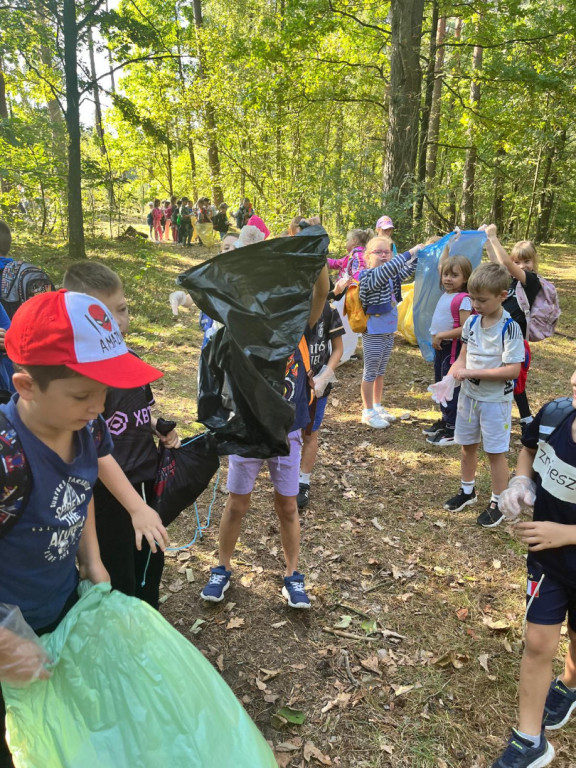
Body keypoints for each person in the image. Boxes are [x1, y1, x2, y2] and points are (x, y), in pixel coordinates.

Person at [0, 289, 168, 767]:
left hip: (57, 612)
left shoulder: (86, 426)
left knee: (59, 731)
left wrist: (92, 561)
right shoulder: (8, 457)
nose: (98, 406)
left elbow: (81, 487)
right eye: (82, 394)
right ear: (27, 385)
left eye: (104, 392)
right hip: (9, 635)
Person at [200, 236, 330, 610]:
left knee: (287, 505)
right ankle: (222, 567)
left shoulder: (294, 327)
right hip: (248, 430)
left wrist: (315, 250)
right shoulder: (239, 327)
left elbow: (320, 292)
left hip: (286, 432)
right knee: (237, 504)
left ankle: (293, 575)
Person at [62, 262, 179, 607]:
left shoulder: (130, 361)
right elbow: (94, 449)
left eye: (123, 310)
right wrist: (134, 507)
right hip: (109, 498)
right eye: (104, 318)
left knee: (150, 561)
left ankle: (149, 620)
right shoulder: (87, 383)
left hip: (144, 481)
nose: (119, 323)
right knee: (120, 576)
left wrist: (157, 427)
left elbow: (139, 412)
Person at [488, 372, 576, 767]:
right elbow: (529, 448)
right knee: (538, 643)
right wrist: (522, 482)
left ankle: (570, 685)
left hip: (562, 543)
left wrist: (566, 532)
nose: (574, 380)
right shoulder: (557, 414)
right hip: (547, 562)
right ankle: (529, 739)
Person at [443, 263, 525, 527]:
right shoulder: (472, 323)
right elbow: (463, 356)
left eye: (482, 300)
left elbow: (512, 370)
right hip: (469, 398)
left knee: (494, 452)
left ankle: (498, 502)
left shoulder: (509, 328)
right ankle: (467, 491)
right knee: (467, 446)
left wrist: (470, 373)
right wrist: (453, 373)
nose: (476, 305)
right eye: (473, 299)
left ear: (502, 296)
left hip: (495, 402)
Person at [341, 236, 421, 429]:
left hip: (388, 330)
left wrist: (423, 255)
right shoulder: (368, 276)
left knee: (380, 371)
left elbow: (407, 270)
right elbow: (389, 269)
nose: (384, 255)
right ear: (368, 256)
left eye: (387, 252)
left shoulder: (391, 275)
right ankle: (367, 412)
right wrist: (410, 252)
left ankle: (377, 406)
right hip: (374, 330)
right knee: (370, 371)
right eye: (379, 252)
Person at [483, 225, 542, 437]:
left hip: (516, 342)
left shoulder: (531, 282)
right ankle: (518, 418)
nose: (522, 265)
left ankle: (526, 420)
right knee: (505, 381)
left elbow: (506, 262)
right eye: (518, 262)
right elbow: (498, 264)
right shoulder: (513, 282)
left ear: (534, 262)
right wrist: (488, 242)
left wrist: (493, 236)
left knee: (515, 382)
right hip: (500, 338)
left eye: (526, 261)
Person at [297, 301, 344, 509]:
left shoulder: (329, 310)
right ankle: (287, 477)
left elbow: (338, 349)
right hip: (291, 385)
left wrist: (325, 375)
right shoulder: (289, 307)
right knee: (289, 433)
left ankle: (303, 482)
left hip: (318, 386)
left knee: (310, 433)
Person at [424, 254, 473, 446]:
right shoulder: (447, 294)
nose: (448, 278)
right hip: (441, 349)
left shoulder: (464, 299)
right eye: (445, 274)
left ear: (465, 278)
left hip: (453, 350)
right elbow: (440, 265)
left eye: (454, 275)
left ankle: (453, 428)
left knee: (450, 387)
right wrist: (447, 246)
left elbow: (466, 329)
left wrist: (442, 335)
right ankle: (445, 420)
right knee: (440, 385)